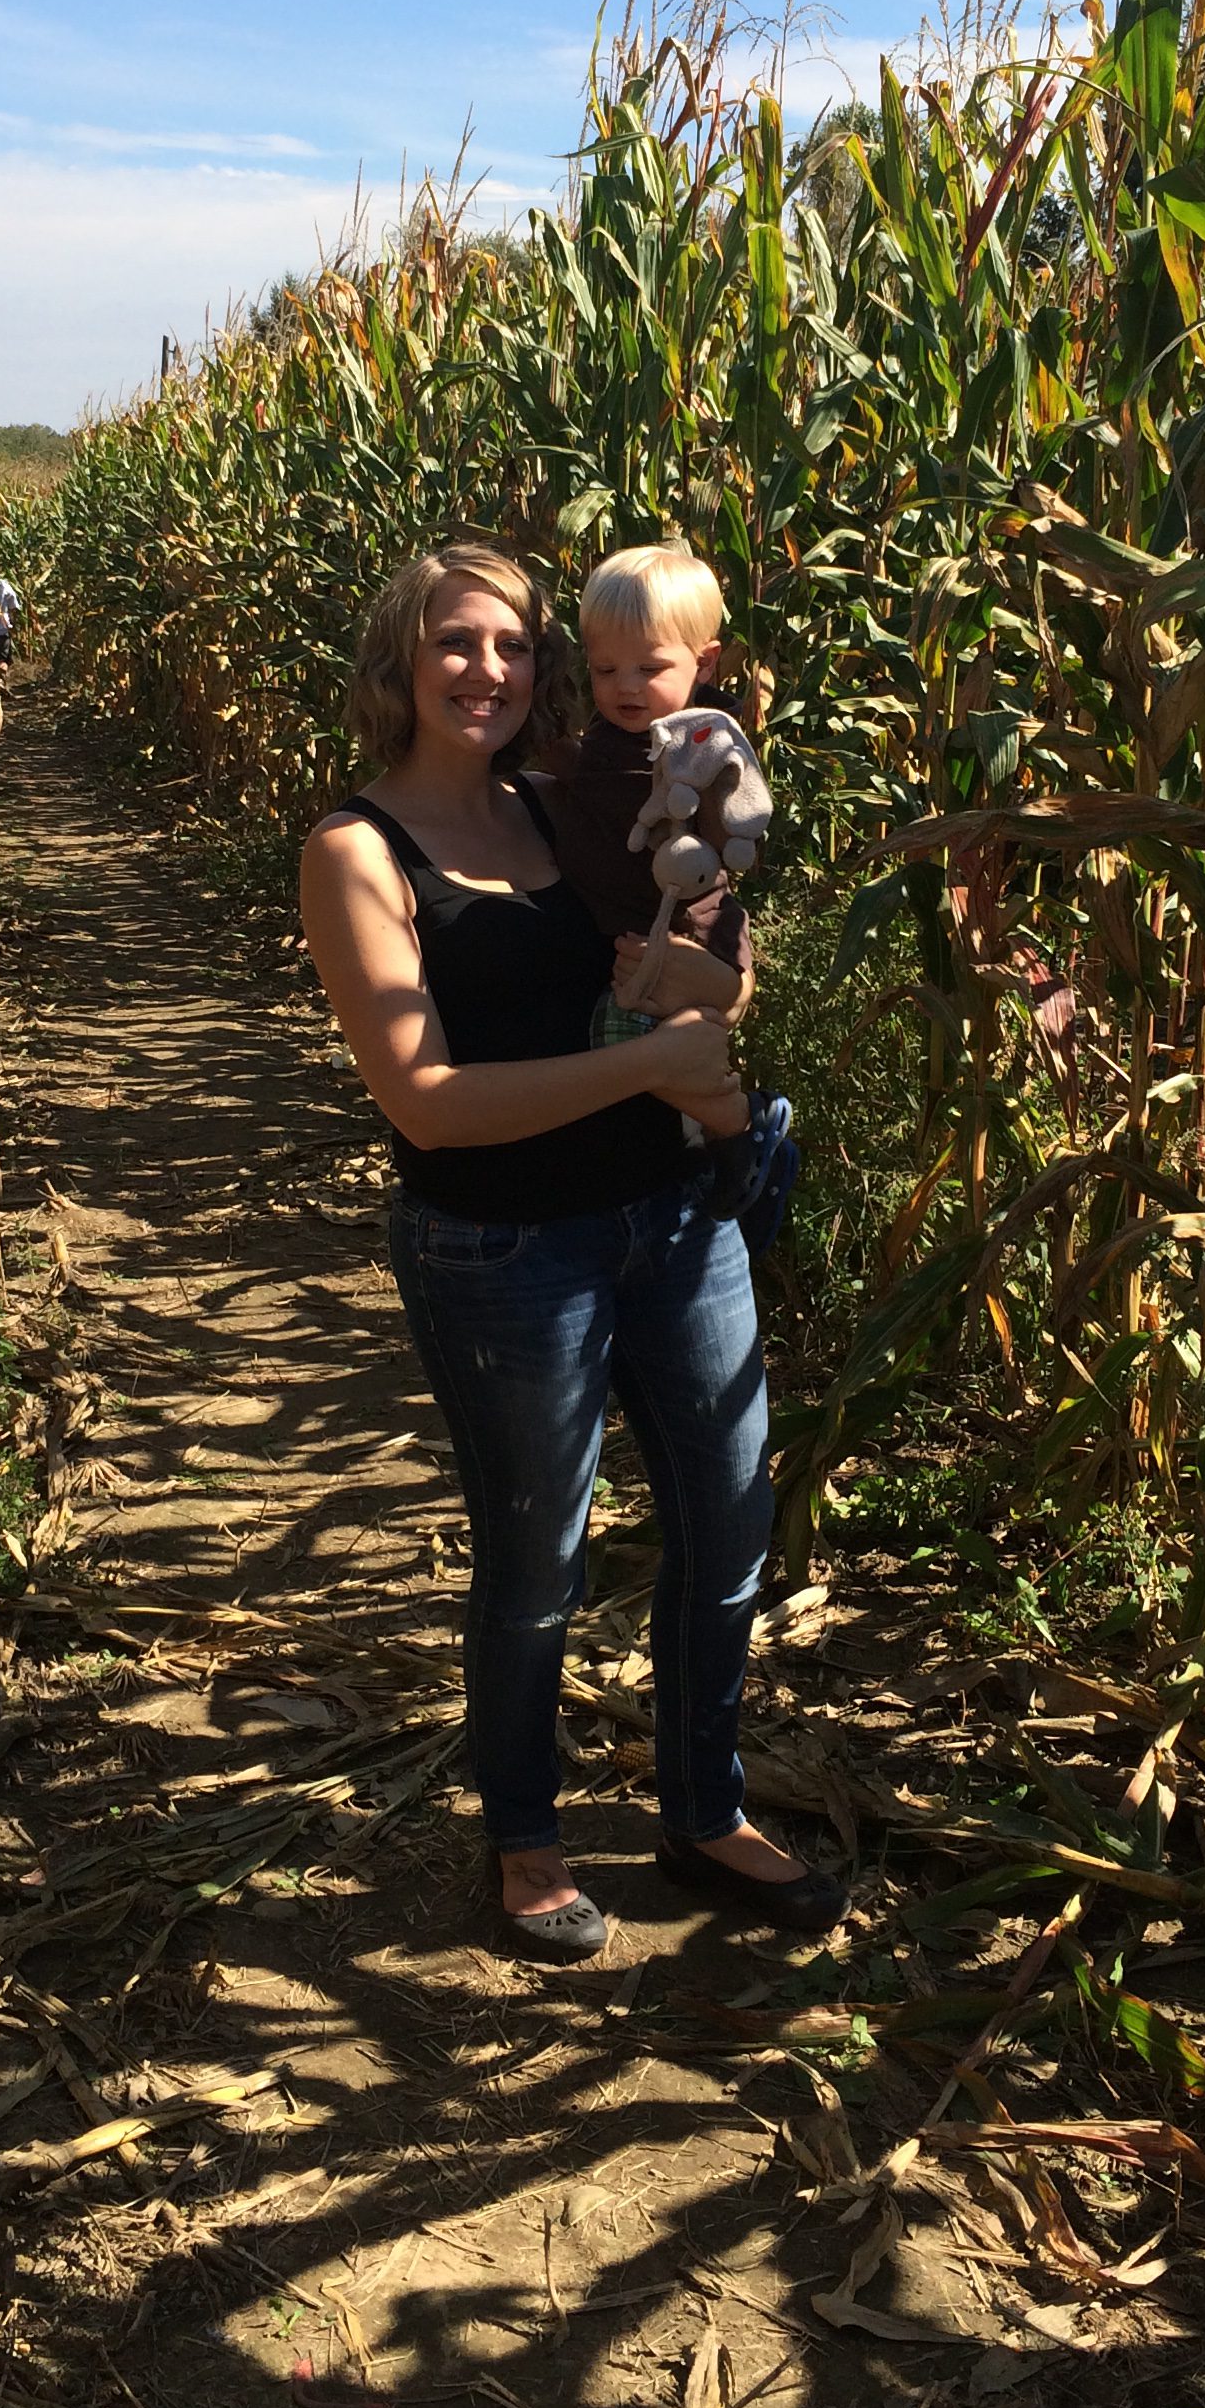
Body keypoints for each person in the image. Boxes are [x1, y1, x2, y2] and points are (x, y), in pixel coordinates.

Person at [299, 540, 846, 1962]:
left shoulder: (572, 792)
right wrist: (667, 1071)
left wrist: (699, 1003)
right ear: (401, 663)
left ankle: (702, 1807)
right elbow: (427, 1102)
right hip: (503, 1251)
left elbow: (718, 942)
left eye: (515, 646)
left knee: (727, 1527)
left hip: (673, 1222)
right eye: (455, 644)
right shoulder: (358, 850)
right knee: (537, 1559)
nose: (490, 672)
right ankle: (527, 1840)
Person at [535, 543, 798, 1243]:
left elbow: (737, 827)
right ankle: (722, 1137)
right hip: (636, 929)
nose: (624, 686)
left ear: (703, 664)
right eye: (603, 670)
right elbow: (585, 777)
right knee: (638, 1044)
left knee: (641, 1045)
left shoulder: (698, 743)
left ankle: (744, 1129)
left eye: (649, 669)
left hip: (690, 926)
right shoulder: (617, 732)